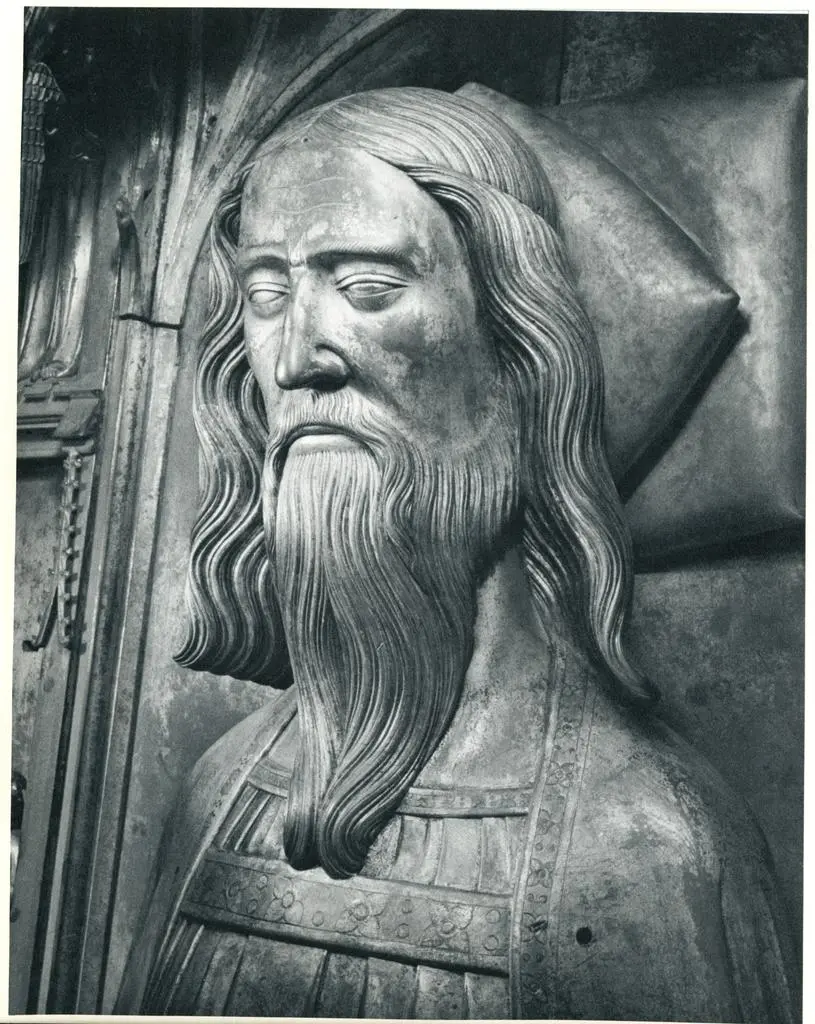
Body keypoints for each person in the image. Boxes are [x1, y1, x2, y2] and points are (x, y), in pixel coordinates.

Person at [116, 87, 798, 1021]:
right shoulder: (222, 791)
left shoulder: (645, 848)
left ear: (520, 352)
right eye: (268, 295)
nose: (294, 360)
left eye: (366, 289)